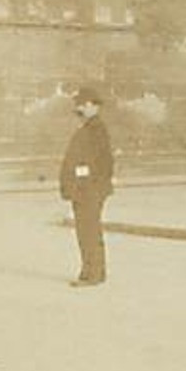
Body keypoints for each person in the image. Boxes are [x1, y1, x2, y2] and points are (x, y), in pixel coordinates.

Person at [58, 85, 114, 287]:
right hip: (85, 188)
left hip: (89, 189)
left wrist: (82, 179)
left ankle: (93, 273)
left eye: (82, 105)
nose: (79, 109)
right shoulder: (89, 127)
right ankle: (91, 270)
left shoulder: (96, 129)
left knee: (88, 231)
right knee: (86, 230)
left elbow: (101, 162)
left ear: (93, 106)